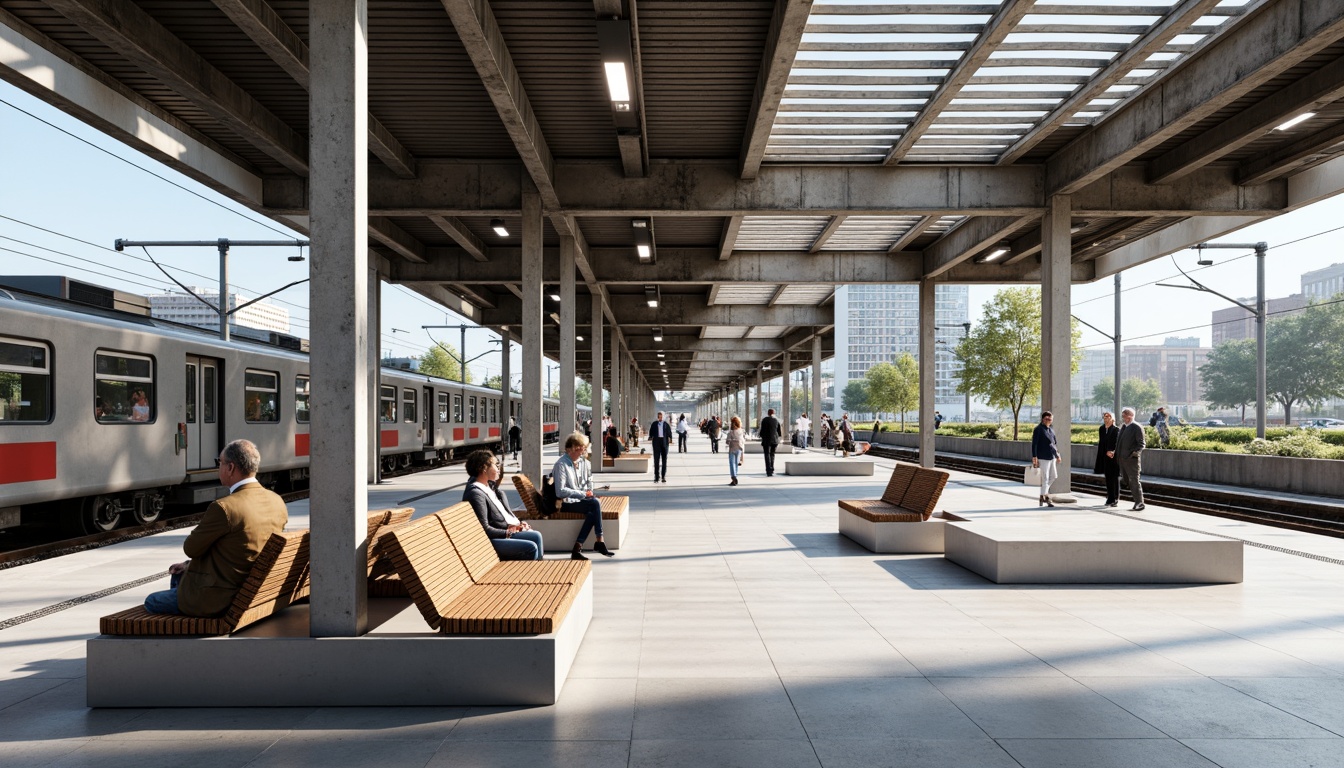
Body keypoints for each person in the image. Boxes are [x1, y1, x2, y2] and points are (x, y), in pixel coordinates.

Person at [144, 439, 287, 616]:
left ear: (230, 468)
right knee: (180, 573)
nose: (219, 467)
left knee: (151, 601)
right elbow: (243, 547)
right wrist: (188, 565)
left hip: (222, 598)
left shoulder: (224, 507)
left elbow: (191, 548)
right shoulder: (276, 500)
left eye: (219, 462)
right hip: (257, 590)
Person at [462, 450, 542, 559]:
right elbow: (484, 528)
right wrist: (508, 532)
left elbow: (504, 516)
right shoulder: (476, 494)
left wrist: (518, 524)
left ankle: (538, 570)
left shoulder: (490, 488)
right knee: (530, 547)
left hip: (501, 533)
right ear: (484, 468)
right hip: (490, 541)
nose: (498, 469)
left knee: (536, 536)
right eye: (496, 465)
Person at [553, 433, 614, 560]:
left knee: (593, 511)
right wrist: (583, 494)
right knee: (595, 504)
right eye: (581, 448)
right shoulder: (561, 465)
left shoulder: (584, 463)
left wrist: (589, 491)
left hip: (581, 500)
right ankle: (599, 541)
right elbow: (560, 491)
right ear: (572, 448)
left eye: (584, 448)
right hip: (566, 502)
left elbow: (589, 481)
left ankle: (577, 547)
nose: (584, 451)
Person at [1117, 407, 1147, 511]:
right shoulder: (1124, 427)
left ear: (1130, 416)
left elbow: (1141, 444)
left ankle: (1139, 503)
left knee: (1134, 480)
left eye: (1124, 416)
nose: (1123, 418)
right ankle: (1137, 501)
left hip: (1131, 461)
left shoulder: (1136, 427)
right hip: (1122, 459)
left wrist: (1133, 454)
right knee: (1125, 480)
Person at [1031, 411, 1061, 507]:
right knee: (1045, 478)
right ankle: (1046, 497)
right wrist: (1034, 456)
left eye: (1050, 419)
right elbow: (1034, 444)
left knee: (1054, 476)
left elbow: (1054, 444)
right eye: (1047, 419)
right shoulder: (1038, 429)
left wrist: (1057, 455)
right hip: (1043, 457)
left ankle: (1042, 494)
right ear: (1043, 419)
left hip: (1051, 457)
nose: (1049, 420)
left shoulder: (1051, 430)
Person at [1095, 411, 1121, 508]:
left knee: (1114, 478)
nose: (1105, 418)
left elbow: (1117, 443)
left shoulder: (1116, 430)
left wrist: (1113, 451)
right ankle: (1109, 497)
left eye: (1108, 417)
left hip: (1113, 458)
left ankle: (1115, 498)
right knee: (1108, 478)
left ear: (1112, 419)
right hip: (1104, 457)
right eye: (1104, 417)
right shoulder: (1101, 429)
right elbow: (1101, 443)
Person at [649, 411, 672, 483]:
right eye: (659, 416)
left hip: (664, 443)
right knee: (656, 460)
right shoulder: (654, 424)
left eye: (661, 416)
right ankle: (656, 476)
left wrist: (670, 439)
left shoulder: (666, 425)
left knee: (664, 460)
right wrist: (651, 437)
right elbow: (651, 433)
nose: (660, 418)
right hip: (656, 443)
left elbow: (669, 434)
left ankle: (663, 476)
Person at [758, 408, 782, 476]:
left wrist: (761, 436)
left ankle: (768, 470)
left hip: (766, 440)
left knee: (767, 454)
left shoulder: (764, 420)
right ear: (774, 413)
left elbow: (762, 431)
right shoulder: (776, 420)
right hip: (774, 440)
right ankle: (772, 468)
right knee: (772, 454)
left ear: (768, 413)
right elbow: (779, 432)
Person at [725, 416, 746, 486]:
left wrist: (730, 440)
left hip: (732, 449)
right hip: (739, 449)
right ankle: (735, 477)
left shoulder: (731, 432)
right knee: (736, 463)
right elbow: (743, 440)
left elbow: (727, 442)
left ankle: (733, 477)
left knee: (732, 463)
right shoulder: (741, 431)